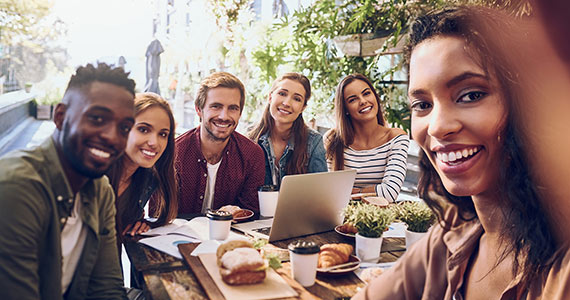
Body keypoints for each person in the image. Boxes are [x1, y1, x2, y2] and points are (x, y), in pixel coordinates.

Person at [353, 6, 568, 300]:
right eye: (422, 105)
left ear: (527, 103)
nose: (438, 127)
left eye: (470, 95)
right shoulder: (451, 237)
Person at [0, 63, 135, 299]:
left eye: (124, 128)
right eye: (96, 118)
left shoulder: (100, 191)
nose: (113, 137)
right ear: (60, 117)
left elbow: (105, 287)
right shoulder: (17, 188)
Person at [175, 72, 265, 215]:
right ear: (199, 109)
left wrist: (238, 214)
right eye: (216, 106)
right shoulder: (174, 153)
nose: (224, 116)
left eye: (233, 108)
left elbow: (251, 213)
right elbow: (159, 215)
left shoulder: (252, 154)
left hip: (232, 235)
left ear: (240, 113)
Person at [324, 73, 410, 203]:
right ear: (345, 109)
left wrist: (354, 192)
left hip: (381, 219)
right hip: (340, 219)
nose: (363, 101)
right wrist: (374, 191)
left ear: (375, 96)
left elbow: (389, 193)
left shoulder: (396, 138)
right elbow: (330, 193)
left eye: (366, 93)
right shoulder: (333, 140)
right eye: (353, 99)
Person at [106, 92, 177, 239]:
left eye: (163, 134)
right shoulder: (93, 175)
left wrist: (141, 222)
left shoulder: (148, 179)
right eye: (144, 129)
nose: (154, 143)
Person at [248, 73, 327, 187]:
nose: (286, 103)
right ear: (270, 97)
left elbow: (321, 191)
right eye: (282, 93)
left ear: (302, 108)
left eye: (296, 99)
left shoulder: (313, 141)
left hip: (300, 205)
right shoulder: (249, 138)